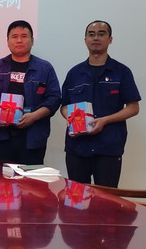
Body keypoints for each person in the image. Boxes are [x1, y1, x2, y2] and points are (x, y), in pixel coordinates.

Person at [60, 20, 140, 187]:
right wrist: (70, 118)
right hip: (77, 147)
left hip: (108, 147)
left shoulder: (122, 72)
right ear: (85, 40)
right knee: (76, 198)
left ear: (110, 39)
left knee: (107, 199)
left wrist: (105, 120)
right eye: (91, 34)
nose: (96, 38)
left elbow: (133, 108)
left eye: (101, 34)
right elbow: (64, 106)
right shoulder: (74, 73)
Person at [0, 20, 61, 165]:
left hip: (33, 137)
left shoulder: (44, 68)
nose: (19, 40)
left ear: (32, 40)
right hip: (3, 138)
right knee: (2, 177)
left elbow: (54, 98)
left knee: (31, 179)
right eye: (14, 36)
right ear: (8, 41)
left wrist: (34, 116)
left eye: (24, 36)